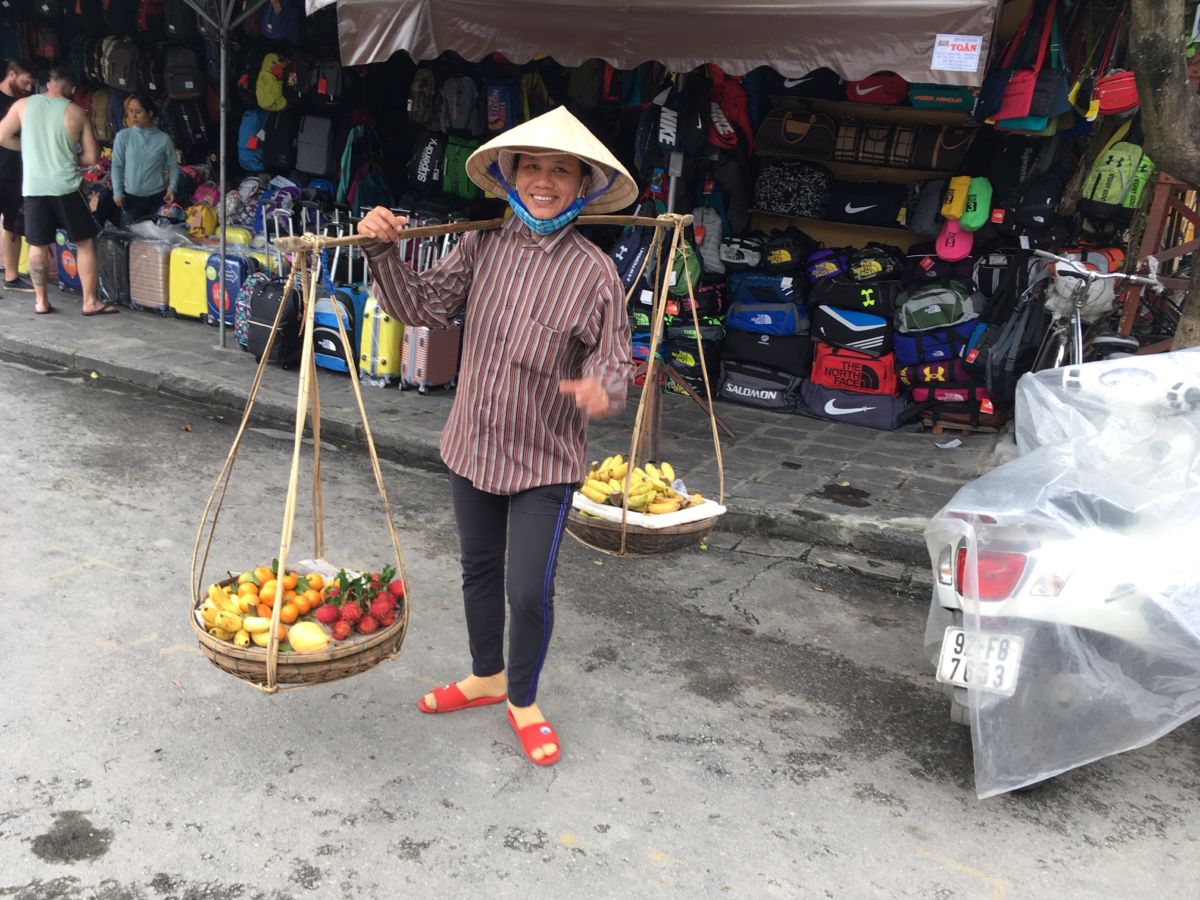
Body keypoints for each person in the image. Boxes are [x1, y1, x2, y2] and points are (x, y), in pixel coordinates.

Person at [356, 107, 637, 767]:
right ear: (510, 177)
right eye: (532, 166)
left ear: (583, 184)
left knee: (527, 590)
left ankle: (522, 697)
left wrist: (603, 387)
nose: (545, 180)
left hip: (546, 461)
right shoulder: (481, 243)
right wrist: (380, 249)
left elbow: (614, 358)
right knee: (477, 570)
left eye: (560, 169)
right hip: (472, 445)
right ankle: (485, 675)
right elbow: (419, 306)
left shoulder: (596, 273)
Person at [0, 66, 114, 316]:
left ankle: (41, 301)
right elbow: (93, 156)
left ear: (47, 83)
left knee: (38, 245)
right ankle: (90, 301)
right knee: (84, 243)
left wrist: (29, 149)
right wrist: (69, 157)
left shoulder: (23, 106)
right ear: (72, 88)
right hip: (65, 186)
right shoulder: (76, 112)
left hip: (33, 186)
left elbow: (2, 136)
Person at [111, 93, 179, 229]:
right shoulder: (123, 137)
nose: (133, 116)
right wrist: (117, 192)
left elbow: (173, 166)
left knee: (156, 244)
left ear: (150, 113)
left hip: (157, 198)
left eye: (138, 111)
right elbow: (117, 166)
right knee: (128, 239)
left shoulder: (163, 139)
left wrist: (172, 188)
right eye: (130, 111)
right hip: (130, 199)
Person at [0, 58, 36, 293]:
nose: (29, 87)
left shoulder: (26, 103)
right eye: (25, 81)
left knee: (12, 224)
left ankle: (11, 276)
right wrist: (30, 147)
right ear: (11, 74)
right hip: (4, 168)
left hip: (16, 171)